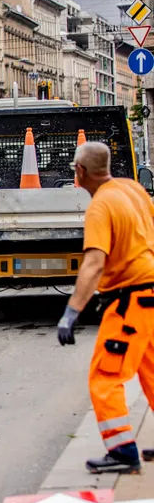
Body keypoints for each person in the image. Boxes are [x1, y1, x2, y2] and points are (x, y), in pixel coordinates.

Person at [58, 142, 154, 474]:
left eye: (74, 170)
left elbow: (94, 263)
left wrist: (72, 311)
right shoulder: (133, 190)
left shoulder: (100, 206)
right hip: (150, 295)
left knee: (105, 375)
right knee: (152, 372)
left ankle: (122, 450)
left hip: (129, 301)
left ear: (81, 172)